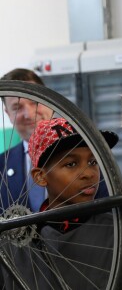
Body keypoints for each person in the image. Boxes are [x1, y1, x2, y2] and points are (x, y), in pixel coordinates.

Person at [0, 117, 122, 289]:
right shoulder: (12, 245)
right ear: (40, 177)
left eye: (93, 162)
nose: (88, 174)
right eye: (71, 164)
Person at [0, 68, 53, 212]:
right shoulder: (1, 166)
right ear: (8, 114)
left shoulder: (87, 155)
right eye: (17, 107)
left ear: (49, 100)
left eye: (35, 102)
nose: (29, 114)